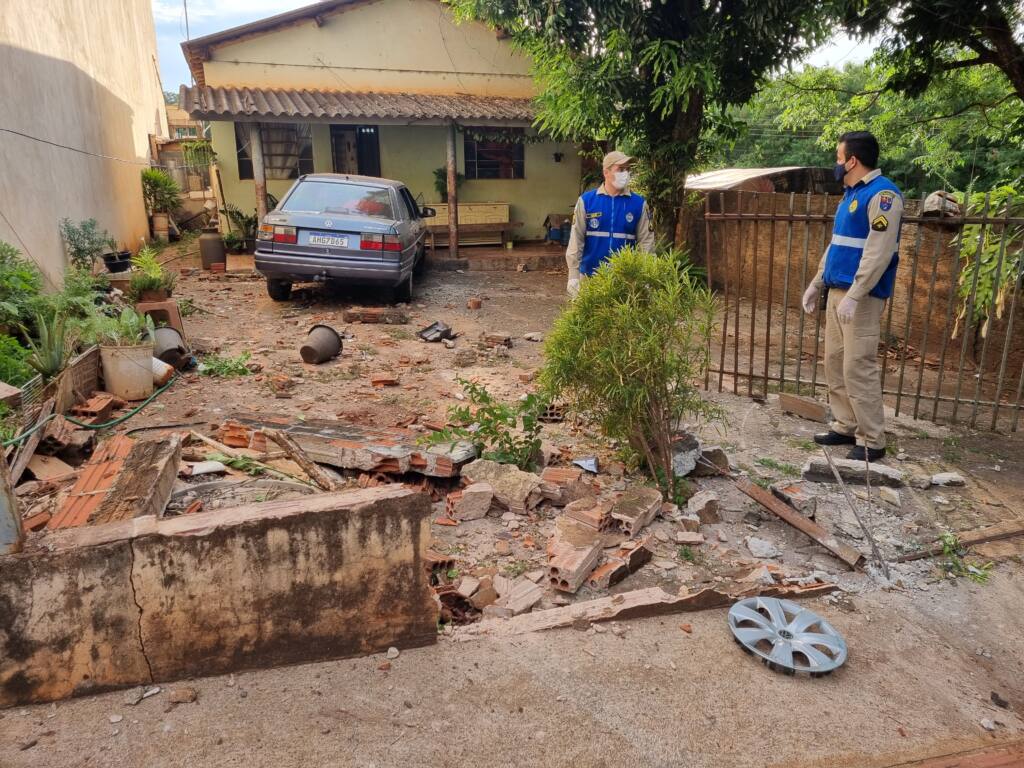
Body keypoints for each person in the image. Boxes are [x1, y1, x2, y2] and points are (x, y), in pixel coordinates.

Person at [801, 131, 903, 463]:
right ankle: (845, 424)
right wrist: (817, 282)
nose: (836, 163)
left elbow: (878, 253)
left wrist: (856, 294)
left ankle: (872, 439)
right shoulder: (849, 195)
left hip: (861, 297)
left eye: (838, 156)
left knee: (858, 366)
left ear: (852, 160)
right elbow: (837, 245)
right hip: (837, 292)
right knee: (835, 363)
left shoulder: (883, 195)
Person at [565, 150, 656, 296]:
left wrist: (646, 275)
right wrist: (573, 275)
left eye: (627, 169)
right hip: (590, 278)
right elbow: (576, 239)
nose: (625, 173)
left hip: (625, 281)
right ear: (606, 172)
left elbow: (646, 243)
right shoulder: (587, 201)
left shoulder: (638, 204)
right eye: (620, 169)